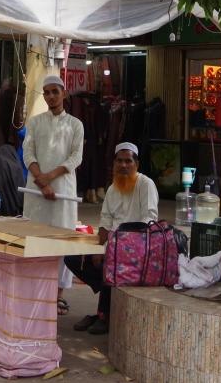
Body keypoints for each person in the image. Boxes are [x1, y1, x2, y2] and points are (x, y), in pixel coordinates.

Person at [66, 142, 158, 335]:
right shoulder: (112, 189)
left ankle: (103, 315)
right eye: (119, 161)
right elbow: (105, 223)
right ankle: (106, 309)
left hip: (137, 250)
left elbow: (148, 222)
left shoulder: (146, 184)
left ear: (136, 164)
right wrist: (99, 249)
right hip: (113, 246)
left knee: (111, 263)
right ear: (114, 164)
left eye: (128, 161)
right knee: (72, 258)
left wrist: (111, 248)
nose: (124, 165)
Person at [23, 74, 84, 313]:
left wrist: (49, 178)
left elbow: (76, 157)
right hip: (36, 191)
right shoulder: (34, 123)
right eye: (46, 92)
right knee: (35, 239)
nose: (50, 96)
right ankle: (34, 291)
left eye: (54, 92)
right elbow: (28, 153)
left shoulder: (76, 124)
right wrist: (41, 180)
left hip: (63, 191)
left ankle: (57, 295)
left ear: (63, 94)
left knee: (61, 241)